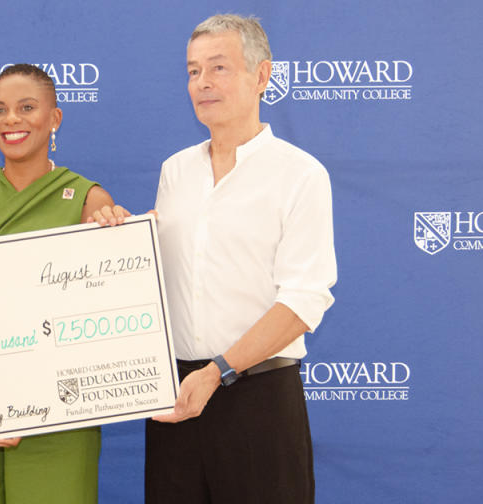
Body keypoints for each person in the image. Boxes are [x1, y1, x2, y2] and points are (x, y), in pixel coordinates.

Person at [93, 13, 337, 503]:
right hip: (176, 397)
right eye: (192, 71)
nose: (202, 83)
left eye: (218, 68)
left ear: (261, 76)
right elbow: (158, 277)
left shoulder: (300, 174)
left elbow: (304, 301)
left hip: (259, 400)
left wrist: (219, 371)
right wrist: (117, 237)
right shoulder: (175, 170)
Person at [0, 63, 116, 504]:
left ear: (54, 118)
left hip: (59, 421)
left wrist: (117, 241)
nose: (10, 120)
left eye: (26, 107)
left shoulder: (90, 201)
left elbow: (100, 329)